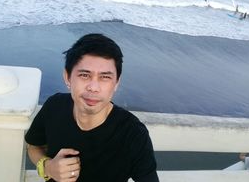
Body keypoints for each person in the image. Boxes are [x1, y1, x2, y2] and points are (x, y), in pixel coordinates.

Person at [25, 33, 159, 182]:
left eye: (105, 77)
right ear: (67, 77)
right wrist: (48, 167)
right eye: (84, 75)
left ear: (116, 83)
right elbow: (34, 146)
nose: (93, 87)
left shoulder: (132, 134)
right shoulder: (54, 106)